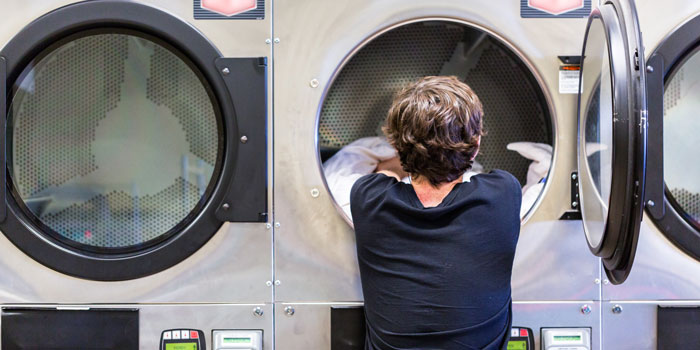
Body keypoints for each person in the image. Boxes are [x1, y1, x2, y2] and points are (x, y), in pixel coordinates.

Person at [350, 76, 521, 350]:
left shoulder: (367, 197)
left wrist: (400, 163)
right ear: (475, 147)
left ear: (395, 146)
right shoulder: (503, 194)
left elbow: (382, 172)